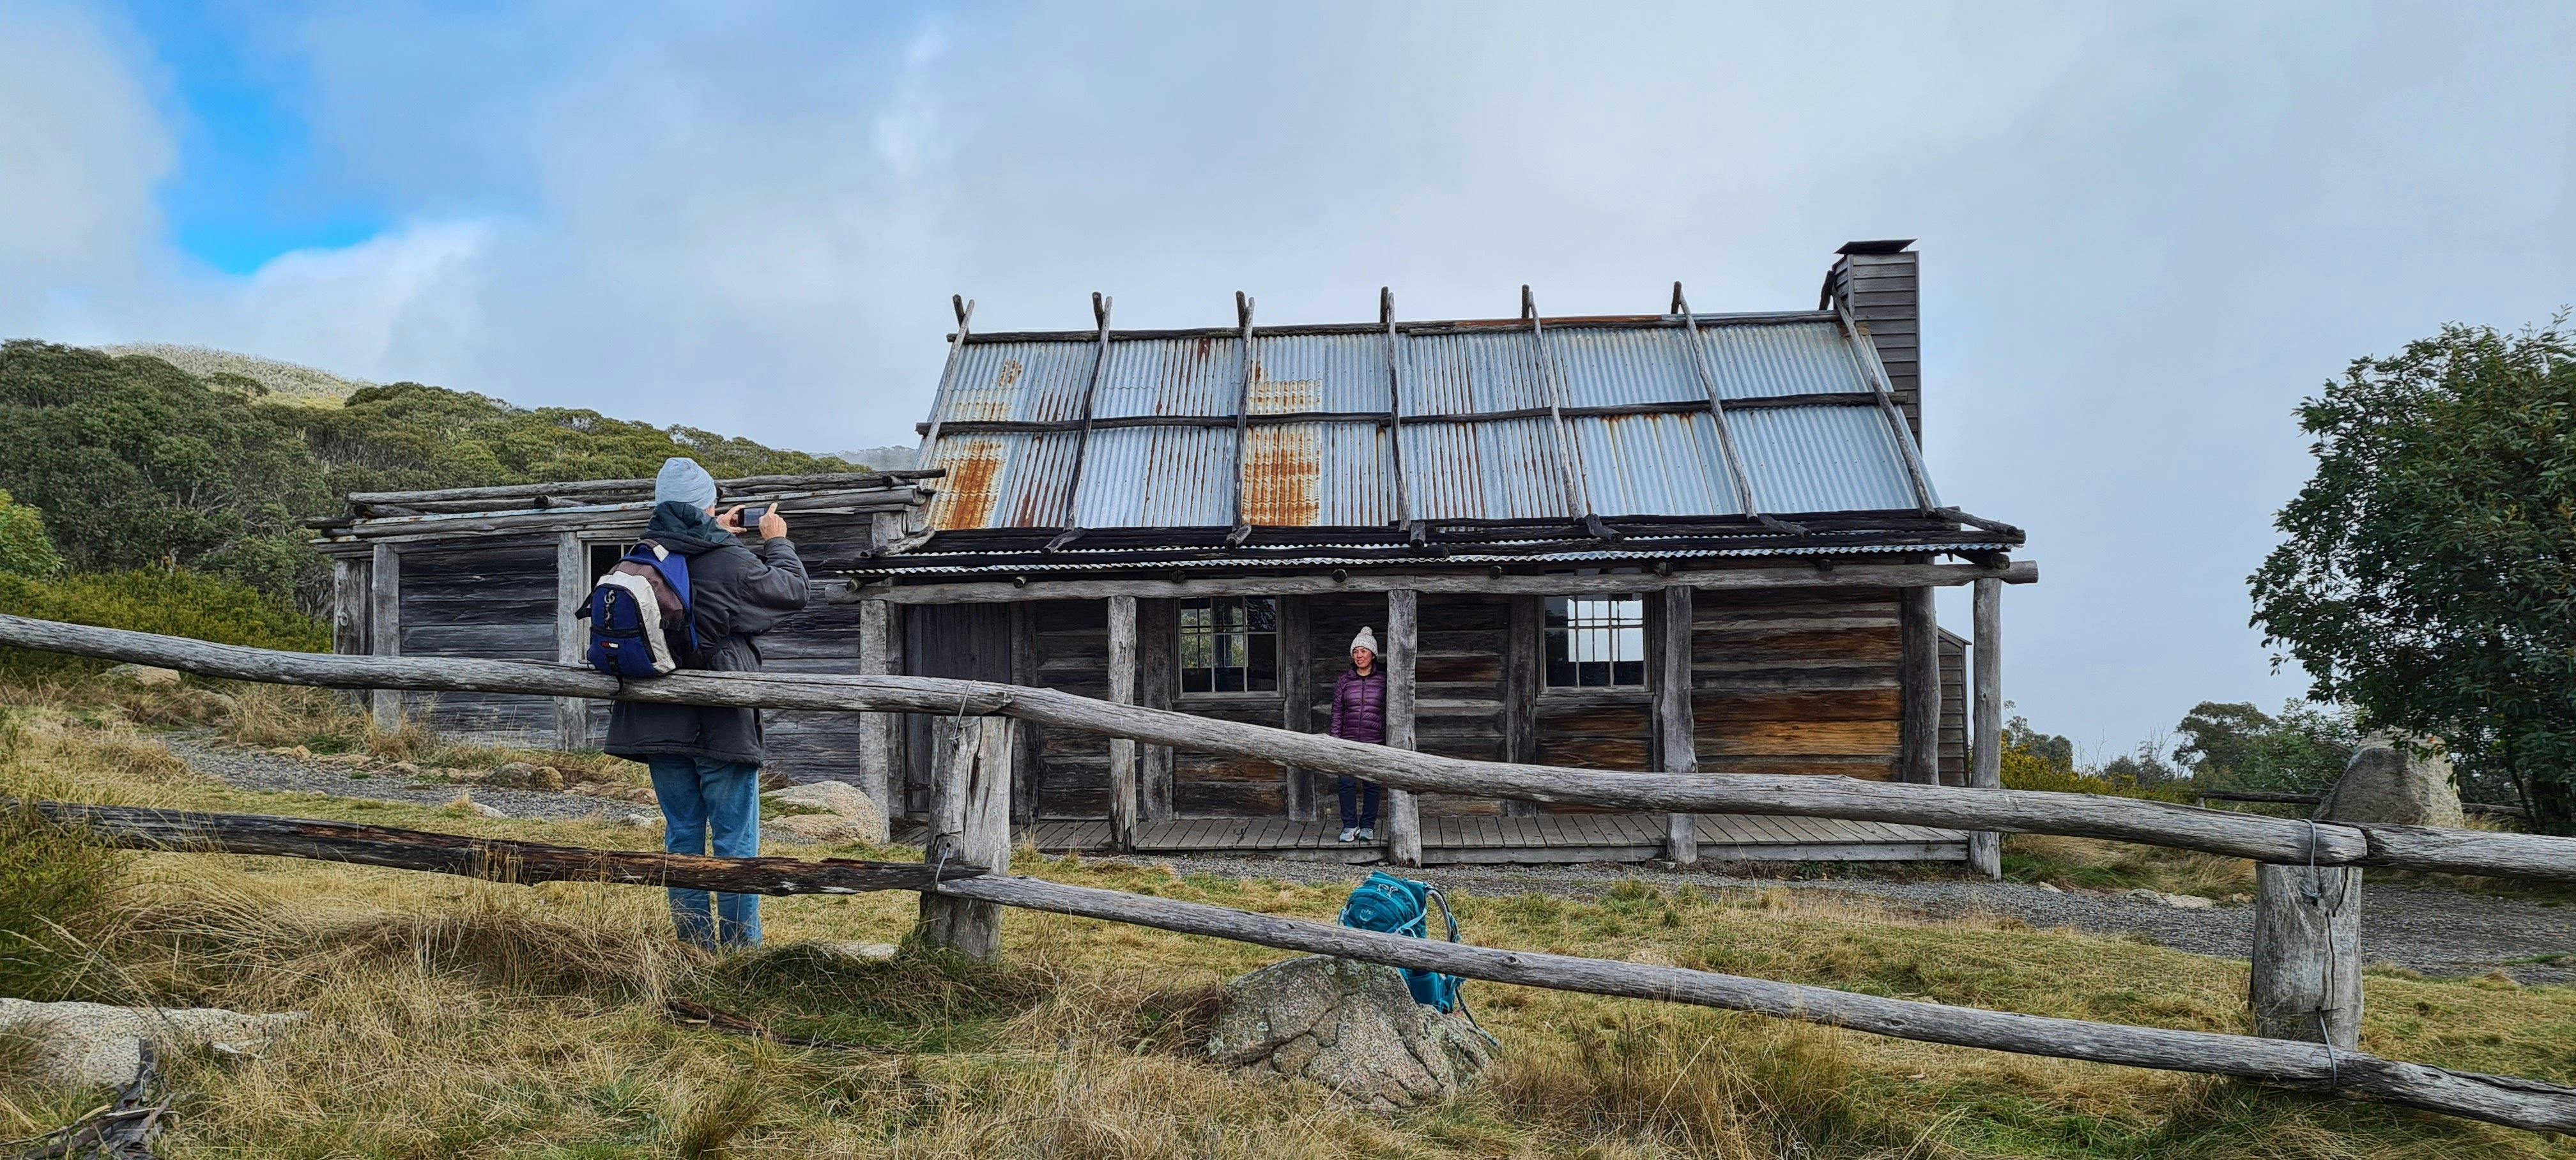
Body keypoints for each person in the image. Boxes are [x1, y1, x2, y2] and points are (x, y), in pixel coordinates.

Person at [604, 457, 808, 951]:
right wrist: (776, 539)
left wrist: (717, 532)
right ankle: (740, 950)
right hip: (721, 722)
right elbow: (792, 592)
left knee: (682, 836)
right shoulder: (727, 558)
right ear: (709, 504)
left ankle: (694, 947)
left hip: (656, 720)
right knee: (735, 840)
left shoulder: (639, 557)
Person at [1330, 627, 1388, 843]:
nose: (1359, 656)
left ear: (1373, 654)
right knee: (1346, 783)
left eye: (1364, 651)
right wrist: (1335, 739)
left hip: (1375, 741)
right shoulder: (1344, 681)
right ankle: (1349, 826)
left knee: (1372, 785)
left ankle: (1367, 826)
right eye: (1356, 652)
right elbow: (1337, 711)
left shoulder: (1384, 680)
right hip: (1348, 740)